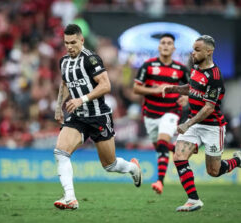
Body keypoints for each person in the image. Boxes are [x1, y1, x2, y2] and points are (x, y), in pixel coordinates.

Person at [53, 24, 142, 210]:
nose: (69, 47)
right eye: (66, 43)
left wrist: (81, 99)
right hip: (78, 117)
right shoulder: (64, 61)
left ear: (82, 40)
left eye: (73, 42)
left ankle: (133, 168)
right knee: (60, 152)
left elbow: (105, 85)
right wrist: (59, 106)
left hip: (98, 116)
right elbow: (64, 84)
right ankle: (70, 198)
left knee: (110, 165)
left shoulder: (91, 59)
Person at [163, 35, 241, 212]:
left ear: (209, 52)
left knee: (214, 171)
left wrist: (187, 124)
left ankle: (237, 160)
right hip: (194, 123)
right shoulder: (196, 68)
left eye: (197, 50)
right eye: (193, 49)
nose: (193, 53)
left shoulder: (215, 76)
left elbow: (209, 108)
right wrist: (174, 88)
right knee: (179, 157)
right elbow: (192, 87)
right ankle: (193, 200)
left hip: (212, 126)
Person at [133, 33, 189, 194]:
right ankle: (180, 149)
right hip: (150, 114)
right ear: (158, 47)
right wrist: (155, 89)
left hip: (171, 111)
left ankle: (159, 182)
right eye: (163, 43)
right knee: (161, 148)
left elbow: (190, 88)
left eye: (169, 43)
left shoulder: (180, 69)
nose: (165, 45)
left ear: (174, 48)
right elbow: (136, 88)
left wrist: (185, 97)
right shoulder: (148, 65)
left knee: (162, 142)